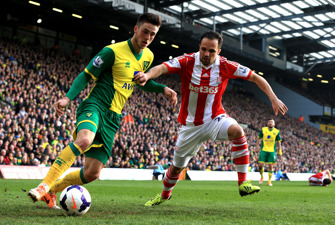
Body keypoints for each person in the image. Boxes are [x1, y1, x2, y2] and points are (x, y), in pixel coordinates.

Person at [27, 13, 177, 209]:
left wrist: (162, 89)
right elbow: (86, 74)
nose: (148, 37)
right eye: (145, 32)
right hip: (95, 105)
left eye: (152, 34)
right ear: (135, 29)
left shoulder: (148, 57)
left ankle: (52, 192)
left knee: (92, 173)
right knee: (84, 140)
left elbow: (142, 82)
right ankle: (43, 186)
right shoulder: (111, 52)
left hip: (113, 117)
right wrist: (67, 98)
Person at [134, 31, 288, 206]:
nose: (206, 54)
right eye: (203, 49)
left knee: (237, 130)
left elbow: (255, 77)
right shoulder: (187, 61)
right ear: (199, 48)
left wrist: (274, 98)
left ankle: (243, 183)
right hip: (190, 125)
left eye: (211, 51)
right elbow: (162, 67)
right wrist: (146, 75)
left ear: (219, 51)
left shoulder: (225, 65)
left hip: (215, 118)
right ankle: (164, 194)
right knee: (177, 167)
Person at [255, 119, 282, 186]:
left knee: (270, 166)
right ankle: (262, 177)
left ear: (274, 124)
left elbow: (279, 142)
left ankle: (269, 181)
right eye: (269, 122)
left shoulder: (276, 131)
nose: (270, 123)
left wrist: (280, 151)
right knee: (260, 165)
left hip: (272, 151)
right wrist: (256, 147)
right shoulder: (263, 130)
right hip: (263, 150)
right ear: (267, 123)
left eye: (272, 122)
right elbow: (258, 138)